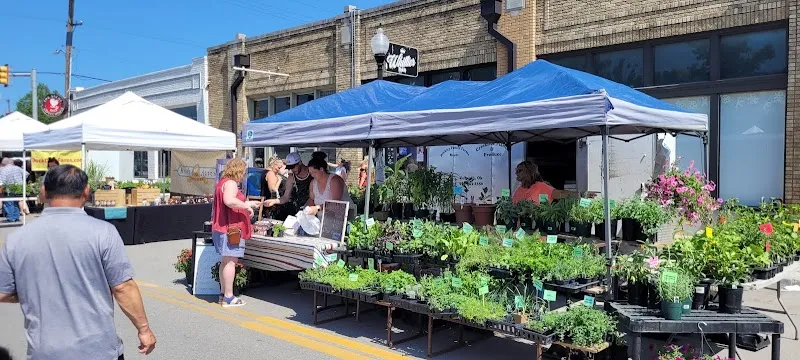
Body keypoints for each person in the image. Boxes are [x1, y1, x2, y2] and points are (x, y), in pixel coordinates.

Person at [0, 165, 157, 359]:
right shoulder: (103, 232)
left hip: (45, 352)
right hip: (97, 350)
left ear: (43, 191)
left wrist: (34, 291)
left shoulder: (17, 239)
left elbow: (3, 292)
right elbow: (123, 287)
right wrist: (144, 329)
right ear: (86, 191)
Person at [212, 158, 262, 307]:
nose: (244, 175)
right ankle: (229, 297)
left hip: (222, 228)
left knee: (225, 261)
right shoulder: (231, 183)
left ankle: (223, 294)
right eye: (244, 171)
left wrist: (246, 206)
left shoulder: (222, 182)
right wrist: (247, 205)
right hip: (231, 229)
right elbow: (229, 201)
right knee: (231, 262)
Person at [512, 160, 590, 204]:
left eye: (519, 171)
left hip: (537, 229)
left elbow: (562, 193)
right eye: (516, 170)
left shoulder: (541, 186)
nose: (516, 173)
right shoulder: (519, 190)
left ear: (528, 172)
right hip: (519, 231)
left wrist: (582, 195)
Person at [0, 158, 25, 222]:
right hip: (19, 187)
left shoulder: (3, 170)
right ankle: (16, 217)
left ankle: (11, 218)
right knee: (16, 203)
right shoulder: (17, 168)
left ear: (4, 163)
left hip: (8, 188)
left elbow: (2, 181)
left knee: (9, 203)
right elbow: (26, 173)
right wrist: (21, 179)